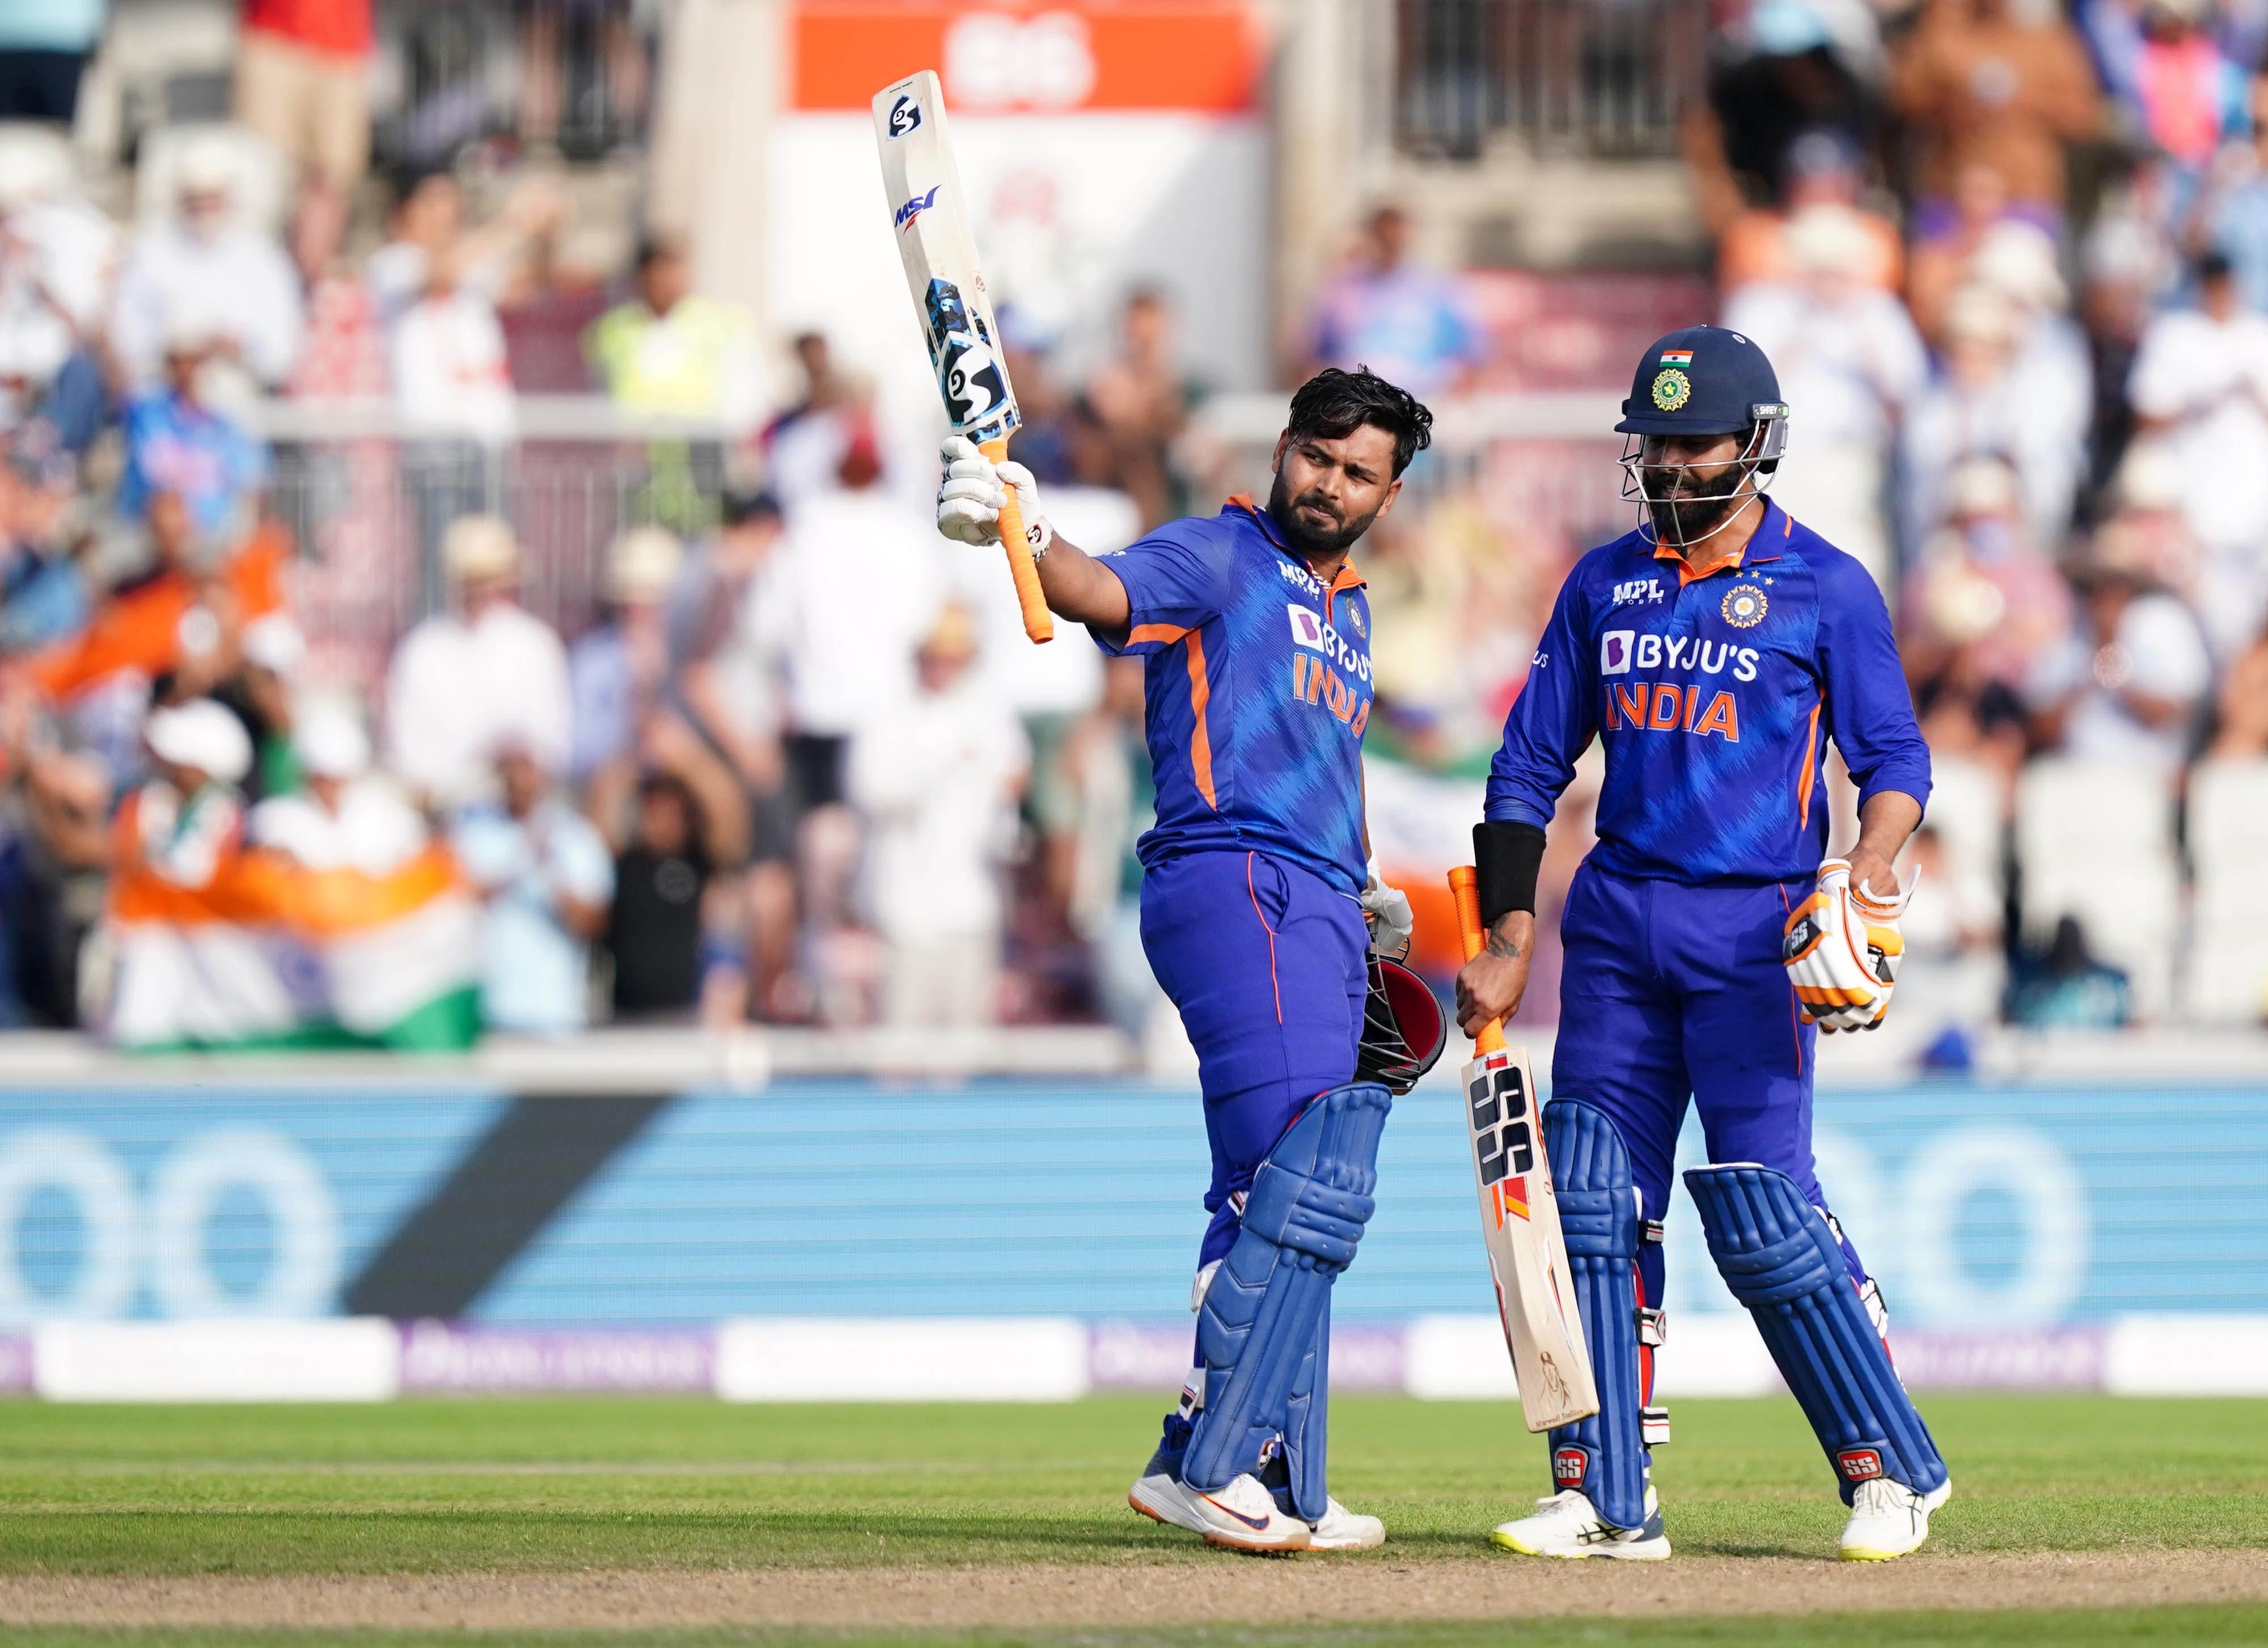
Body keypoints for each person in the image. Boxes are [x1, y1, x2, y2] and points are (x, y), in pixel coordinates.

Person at [1454, 328, 1948, 1563]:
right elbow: (1524, 766)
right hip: (1615, 920)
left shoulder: (1824, 584)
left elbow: (1892, 761)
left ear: (1755, 447)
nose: (1669, 466)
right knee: (1583, 1199)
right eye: (1652, 444)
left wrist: (1871, 867)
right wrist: (1508, 931)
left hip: (1754, 928)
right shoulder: (1600, 582)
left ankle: (1889, 1469)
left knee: (1761, 1216)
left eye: (1692, 444)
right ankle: (1604, 1497)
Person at [935, 367, 1435, 1553]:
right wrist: (1019, 518)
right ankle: (1212, 1468)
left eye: (1357, 470)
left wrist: (1364, 879)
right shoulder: (1220, 554)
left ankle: (1261, 1470)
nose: (1328, 484)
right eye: (1317, 455)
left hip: (1315, 893)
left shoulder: (1351, 605)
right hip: (1232, 876)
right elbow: (1096, 589)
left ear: (1389, 488)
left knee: (1287, 1187)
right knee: (1288, 1190)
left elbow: (1326, 750)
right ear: (1284, 444)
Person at [845, 604, 1029, 1028]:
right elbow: (871, 790)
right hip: (907, 906)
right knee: (902, 1036)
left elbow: (1016, 776)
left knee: (968, 1036)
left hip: (973, 903)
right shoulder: (888, 718)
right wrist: (938, 765)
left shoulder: (988, 711)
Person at [384, 515, 572, 810]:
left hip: (522, 807)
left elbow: (553, 744)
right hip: (443, 807)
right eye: (473, 582)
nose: (481, 593)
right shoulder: (423, 650)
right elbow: (408, 754)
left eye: (488, 580)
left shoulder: (535, 645)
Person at [108, 135, 303, 392]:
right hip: (164, 392)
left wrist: (237, 348)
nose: (204, 209)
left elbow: (282, 353)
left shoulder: (264, 260)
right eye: (196, 198)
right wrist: (173, 349)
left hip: (241, 393)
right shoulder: (150, 254)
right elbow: (128, 336)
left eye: (213, 198)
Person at [452, 740, 612, 1035]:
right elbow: (458, 901)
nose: (519, 780)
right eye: (511, 770)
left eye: (527, 769)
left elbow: (593, 924)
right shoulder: (472, 829)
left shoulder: (576, 837)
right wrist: (522, 860)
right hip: (485, 1010)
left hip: (554, 1013)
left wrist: (551, 872)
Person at [1300, 206, 1479, 400]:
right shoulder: (1343, 289)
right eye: (1383, 231)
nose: (1389, 239)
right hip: (1355, 404)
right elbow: (1310, 354)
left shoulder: (1435, 289)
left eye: (1395, 231)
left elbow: (1471, 353)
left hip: (1420, 403)